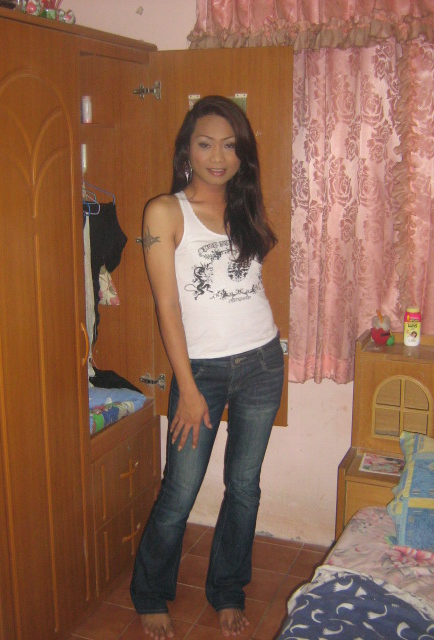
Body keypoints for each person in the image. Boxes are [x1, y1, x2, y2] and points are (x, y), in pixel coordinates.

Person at [131, 95, 284, 639]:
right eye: (205, 144)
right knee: (180, 490)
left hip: (263, 361)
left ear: (243, 154)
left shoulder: (244, 207)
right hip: (202, 372)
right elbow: (166, 306)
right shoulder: (164, 212)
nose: (218, 157)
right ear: (187, 150)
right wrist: (189, 388)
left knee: (244, 486)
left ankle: (228, 589)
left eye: (230, 146)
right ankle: (150, 592)